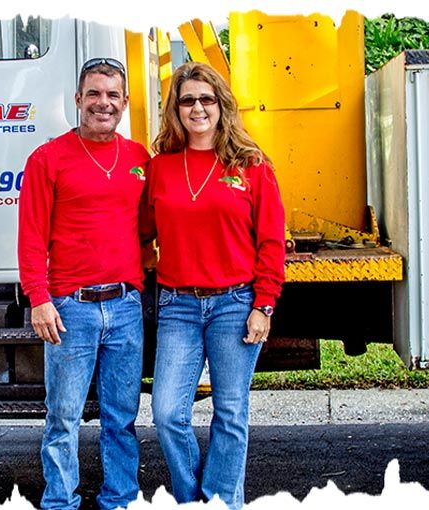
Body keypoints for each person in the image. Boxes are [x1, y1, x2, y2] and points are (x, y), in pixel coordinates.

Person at [143, 62, 285, 510]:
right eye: (187, 100)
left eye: (206, 99)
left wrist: (264, 305)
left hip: (235, 304)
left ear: (221, 105)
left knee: (230, 412)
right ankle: (191, 500)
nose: (197, 108)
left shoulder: (252, 166)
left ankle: (222, 503)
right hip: (178, 305)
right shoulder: (160, 168)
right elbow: (141, 231)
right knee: (167, 413)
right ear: (176, 109)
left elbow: (271, 242)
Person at [17, 57, 151, 510]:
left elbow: (149, 225)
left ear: (125, 102)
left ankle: (120, 499)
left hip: (125, 306)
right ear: (78, 99)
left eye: (113, 95)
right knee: (63, 417)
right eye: (94, 93)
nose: (103, 103)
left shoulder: (139, 159)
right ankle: (60, 501)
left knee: (121, 418)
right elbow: (31, 237)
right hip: (70, 308)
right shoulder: (48, 159)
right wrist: (39, 299)